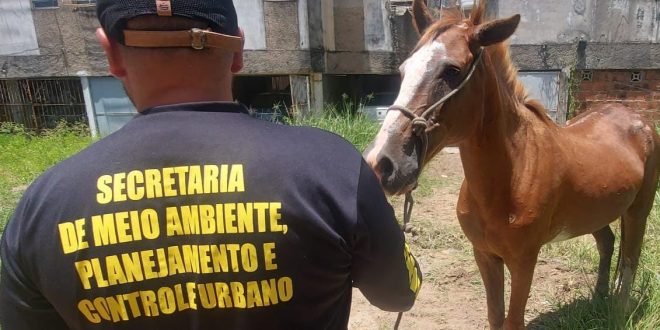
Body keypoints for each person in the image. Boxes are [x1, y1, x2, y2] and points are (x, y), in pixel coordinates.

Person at [0, 0, 422, 329]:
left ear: (109, 54)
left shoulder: (41, 207)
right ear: (238, 51)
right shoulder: (333, 170)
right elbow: (399, 295)